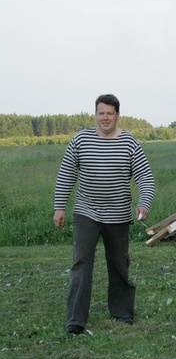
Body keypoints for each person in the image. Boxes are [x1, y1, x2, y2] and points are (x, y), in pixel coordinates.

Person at [53, 94, 154, 334]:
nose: (105, 117)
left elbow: (145, 176)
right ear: (95, 114)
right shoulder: (81, 140)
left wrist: (144, 203)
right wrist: (59, 207)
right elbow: (66, 174)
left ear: (118, 115)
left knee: (119, 263)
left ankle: (122, 313)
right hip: (86, 211)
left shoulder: (129, 142)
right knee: (81, 263)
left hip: (118, 214)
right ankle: (75, 321)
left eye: (110, 113)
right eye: (101, 113)